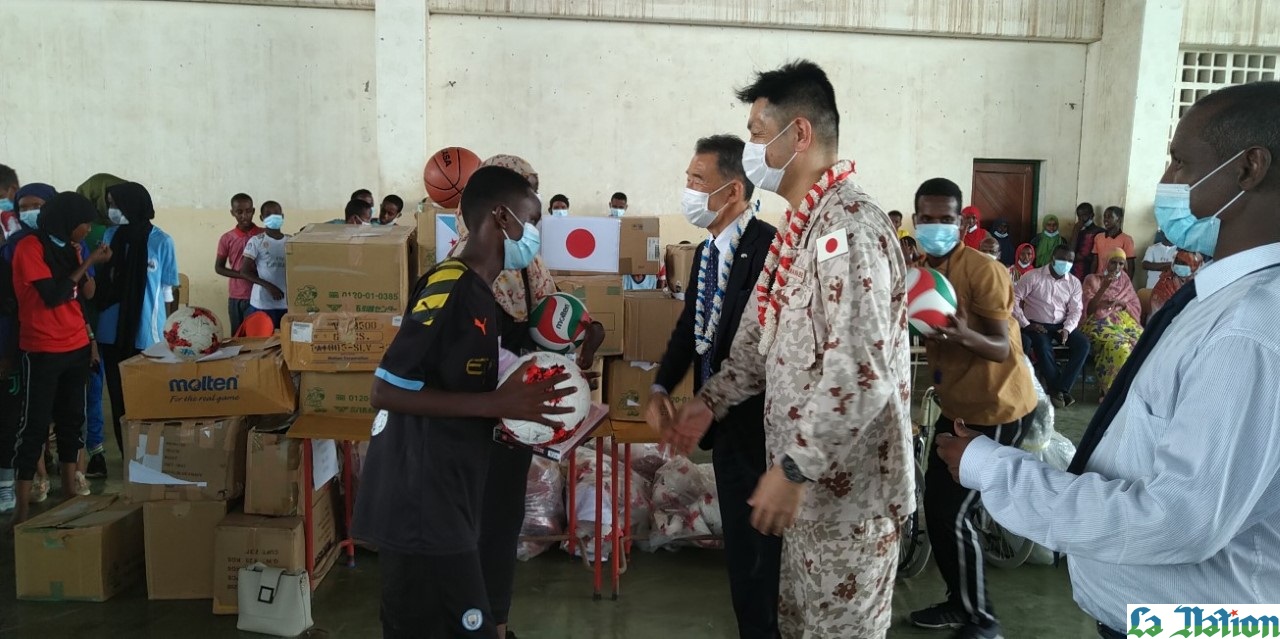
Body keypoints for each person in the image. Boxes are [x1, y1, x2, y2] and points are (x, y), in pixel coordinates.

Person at [936, 80, 1280, 639]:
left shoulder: (1252, 327)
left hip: (1199, 625)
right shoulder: (1227, 301)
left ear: (1248, 170)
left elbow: (1178, 518)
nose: (1167, 181)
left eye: (1180, 162)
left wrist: (990, 467)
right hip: (1165, 619)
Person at [664, 60, 912, 639]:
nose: (751, 148)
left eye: (755, 133)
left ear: (798, 134)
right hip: (803, 496)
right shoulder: (799, 233)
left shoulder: (849, 229)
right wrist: (709, 402)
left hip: (846, 503)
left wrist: (795, 467)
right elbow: (757, 343)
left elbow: (862, 371)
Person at [352, 165, 577, 639]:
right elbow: (386, 388)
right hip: (419, 499)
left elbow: (479, 379)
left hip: (449, 492)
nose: (534, 235)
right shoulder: (448, 285)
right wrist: (498, 404)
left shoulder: (480, 295)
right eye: (530, 221)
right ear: (500, 216)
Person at [450, 153, 605, 639]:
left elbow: (552, 325)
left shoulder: (526, 262)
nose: (535, 210)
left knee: (501, 520)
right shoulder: (456, 272)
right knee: (470, 524)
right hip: (474, 417)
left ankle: (497, 623)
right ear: (498, 207)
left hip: (515, 416)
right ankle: (468, 621)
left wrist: (582, 343)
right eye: (528, 197)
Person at [645, 134, 779, 638]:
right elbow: (689, 330)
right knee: (743, 550)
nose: (688, 190)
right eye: (688, 179)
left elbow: (761, 345)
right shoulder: (705, 254)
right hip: (719, 426)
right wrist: (660, 386)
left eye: (698, 180)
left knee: (764, 549)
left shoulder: (769, 250)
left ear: (733, 191)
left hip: (758, 423)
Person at [908, 177, 1036, 639]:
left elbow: (1002, 348)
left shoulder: (984, 270)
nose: (937, 226)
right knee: (939, 507)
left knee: (953, 512)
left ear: (961, 222)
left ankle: (983, 621)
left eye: (946, 219)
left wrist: (963, 335)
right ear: (916, 219)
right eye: (928, 218)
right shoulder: (922, 271)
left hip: (996, 409)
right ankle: (959, 603)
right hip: (957, 404)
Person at [7, 192, 111, 527]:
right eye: (84, 224)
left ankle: (68, 492)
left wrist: (88, 264)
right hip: (42, 349)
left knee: (71, 421)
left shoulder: (72, 247)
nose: (87, 230)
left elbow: (86, 296)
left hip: (76, 345)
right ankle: (21, 510)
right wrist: (87, 262)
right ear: (69, 221)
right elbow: (52, 295)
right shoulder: (30, 248)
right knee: (34, 427)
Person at [95, 182, 179, 454]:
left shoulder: (161, 241)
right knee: (119, 399)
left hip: (147, 333)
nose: (112, 210)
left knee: (147, 398)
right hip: (110, 331)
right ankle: (128, 454)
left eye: (116, 204)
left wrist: (170, 332)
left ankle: (150, 454)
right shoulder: (110, 236)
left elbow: (167, 290)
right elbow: (101, 284)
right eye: (109, 204)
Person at [74, 173, 125, 477]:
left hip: (90, 322)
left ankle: (93, 454)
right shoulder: (110, 233)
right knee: (98, 391)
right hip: (99, 321)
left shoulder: (83, 232)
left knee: (89, 392)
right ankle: (99, 453)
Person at [1014, 245, 1089, 408]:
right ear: (1053, 258)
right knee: (1042, 345)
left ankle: (1059, 389)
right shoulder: (1033, 277)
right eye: (1063, 259)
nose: (1066, 263)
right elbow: (1013, 299)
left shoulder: (1074, 283)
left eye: (1070, 260)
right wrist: (1027, 324)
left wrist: (1067, 329)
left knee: (1083, 345)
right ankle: (1060, 391)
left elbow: (1076, 309)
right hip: (1036, 325)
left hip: (1061, 325)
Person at [1080, 248, 1143, 398]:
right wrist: (1103, 288)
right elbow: (1089, 309)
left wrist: (1121, 303)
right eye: (1113, 262)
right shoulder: (1092, 279)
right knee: (1120, 347)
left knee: (1143, 341)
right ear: (1106, 263)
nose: (1117, 267)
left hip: (1123, 320)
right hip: (1098, 321)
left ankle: (1135, 391)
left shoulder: (1125, 281)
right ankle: (1112, 392)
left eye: (1121, 264)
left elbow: (1134, 305)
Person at [215, 193, 262, 335]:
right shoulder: (227, 238)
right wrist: (243, 275)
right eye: (239, 212)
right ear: (232, 212)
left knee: (256, 336)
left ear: (253, 211)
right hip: (236, 296)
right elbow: (219, 267)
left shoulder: (263, 235)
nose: (244, 216)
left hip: (259, 295)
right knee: (237, 336)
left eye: (248, 211)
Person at [239, 201, 289, 328]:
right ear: (262, 218)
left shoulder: (291, 241)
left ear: (282, 216)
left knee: (284, 341)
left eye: (276, 214)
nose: (273, 216)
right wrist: (269, 286)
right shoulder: (257, 241)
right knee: (264, 340)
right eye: (268, 214)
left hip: (286, 303)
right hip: (263, 303)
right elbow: (244, 271)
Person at [1149, 249, 1203, 315]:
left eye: (1184, 263)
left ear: (1196, 266)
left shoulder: (1201, 283)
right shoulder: (1165, 283)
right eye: (1177, 262)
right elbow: (1159, 315)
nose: (1179, 266)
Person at [1092, 206, 1136, 277]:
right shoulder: (1099, 237)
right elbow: (1095, 261)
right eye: (1105, 217)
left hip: (1117, 280)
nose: (1105, 220)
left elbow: (1131, 266)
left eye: (1109, 217)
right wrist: (1092, 277)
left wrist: (1127, 284)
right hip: (1100, 278)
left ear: (1118, 219)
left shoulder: (1126, 239)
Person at [1070, 202, 1103, 278]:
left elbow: (1100, 255)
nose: (1081, 219)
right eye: (1079, 216)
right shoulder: (1079, 232)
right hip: (1076, 269)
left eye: (1084, 215)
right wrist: (1076, 230)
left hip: (1091, 269)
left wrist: (1085, 257)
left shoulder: (1100, 232)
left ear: (1092, 215)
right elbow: (1071, 251)